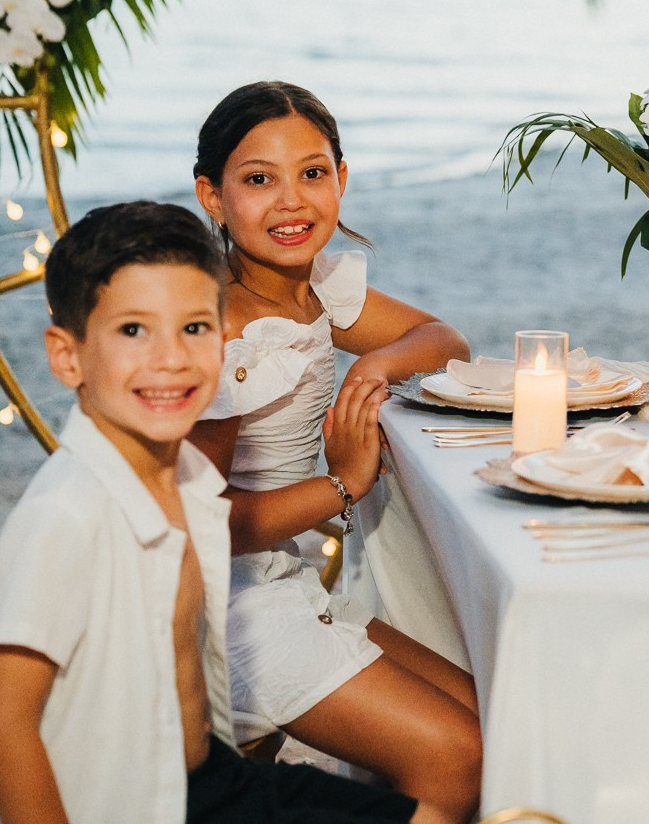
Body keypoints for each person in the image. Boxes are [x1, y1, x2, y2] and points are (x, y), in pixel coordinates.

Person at [0, 201, 422, 823]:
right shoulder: (70, 513)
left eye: (195, 328)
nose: (172, 358)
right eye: (133, 330)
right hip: (134, 803)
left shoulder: (185, 481)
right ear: (67, 356)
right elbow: (1, 726)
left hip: (211, 774)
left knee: (426, 813)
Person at [187, 83, 481, 822]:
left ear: (341, 180)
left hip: (296, 585)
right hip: (227, 609)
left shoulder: (316, 291)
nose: (291, 201)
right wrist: (344, 483)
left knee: (494, 712)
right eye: (258, 179)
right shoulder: (217, 328)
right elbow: (204, 524)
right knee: (458, 755)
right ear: (212, 196)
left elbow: (446, 339)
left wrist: (373, 364)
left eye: (312, 173)